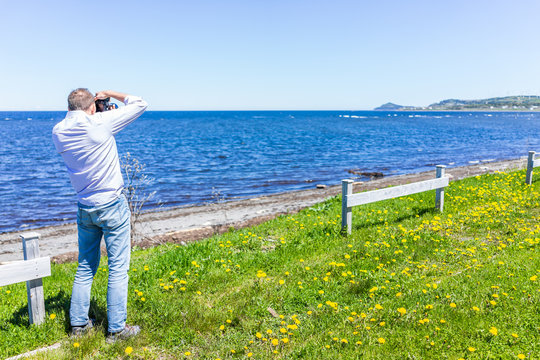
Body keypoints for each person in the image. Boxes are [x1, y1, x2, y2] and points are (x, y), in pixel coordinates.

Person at [52, 88, 147, 342]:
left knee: (85, 266)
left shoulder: (58, 131)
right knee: (117, 268)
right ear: (92, 106)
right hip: (112, 204)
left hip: (85, 206)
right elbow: (140, 104)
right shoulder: (100, 123)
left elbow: (82, 122)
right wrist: (111, 95)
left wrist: (97, 110)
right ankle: (116, 330)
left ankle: (79, 326)